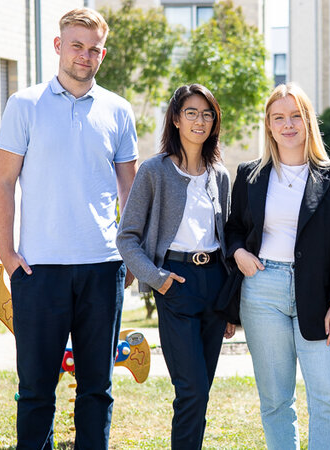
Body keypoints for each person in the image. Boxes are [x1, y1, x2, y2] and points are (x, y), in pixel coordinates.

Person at [0, 7, 138, 449]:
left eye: (94, 49)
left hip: (102, 266)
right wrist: (7, 254)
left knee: (97, 389)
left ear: (102, 54)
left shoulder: (118, 109)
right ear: (59, 46)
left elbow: (130, 189)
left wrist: (129, 255)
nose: (85, 55)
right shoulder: (24, 104)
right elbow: (2, 181)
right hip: (39, 271)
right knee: (36, 390)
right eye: (77, 45)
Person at [225, 83, 330, 449]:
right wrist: (238, 253)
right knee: (275, 401)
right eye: (278, 117)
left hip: (317, 296)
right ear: (268, 125)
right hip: (262, 290)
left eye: (295, 116)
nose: (288, 124)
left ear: (308, 121)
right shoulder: (250, 173)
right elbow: (234, 228)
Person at [116, 84, 234, 449]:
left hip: (215, 284)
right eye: (192, 113)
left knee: (202, 393)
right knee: (192, 391)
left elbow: (228, 242)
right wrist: (157, 279)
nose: (200, 120)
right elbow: (126, 238)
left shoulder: (221, 175)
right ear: (176, 119)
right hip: (176, 284)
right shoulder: (154, 172)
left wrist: (232, 304)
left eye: (207, 114)